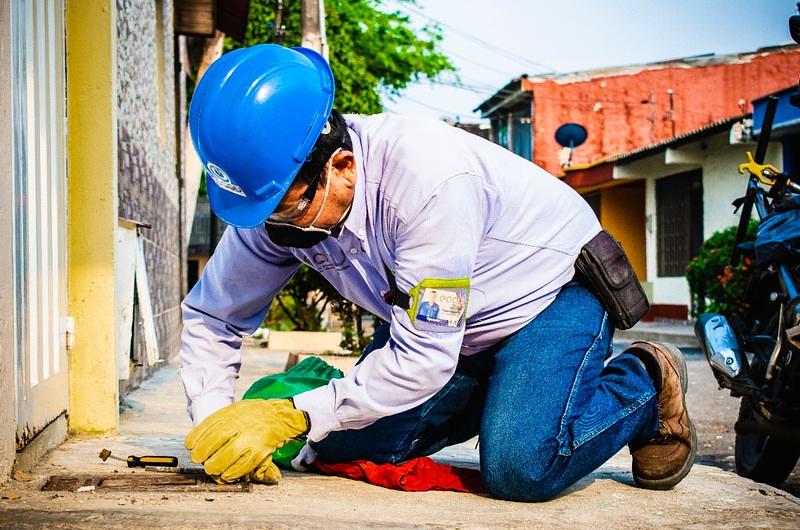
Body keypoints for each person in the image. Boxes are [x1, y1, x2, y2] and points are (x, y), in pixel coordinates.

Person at [181, 44, 696, 501]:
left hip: (546, 298)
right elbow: (214, 317)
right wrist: (214, 428)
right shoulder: (270, 195)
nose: (275, 227)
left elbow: (423, 359)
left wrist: (290, 414)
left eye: (290, 210)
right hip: (441, 325)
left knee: (520, 469)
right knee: (340, 446)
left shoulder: (426, 181)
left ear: (341, 165)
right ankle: (507, 396)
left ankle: (646, 382)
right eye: (262, 212)